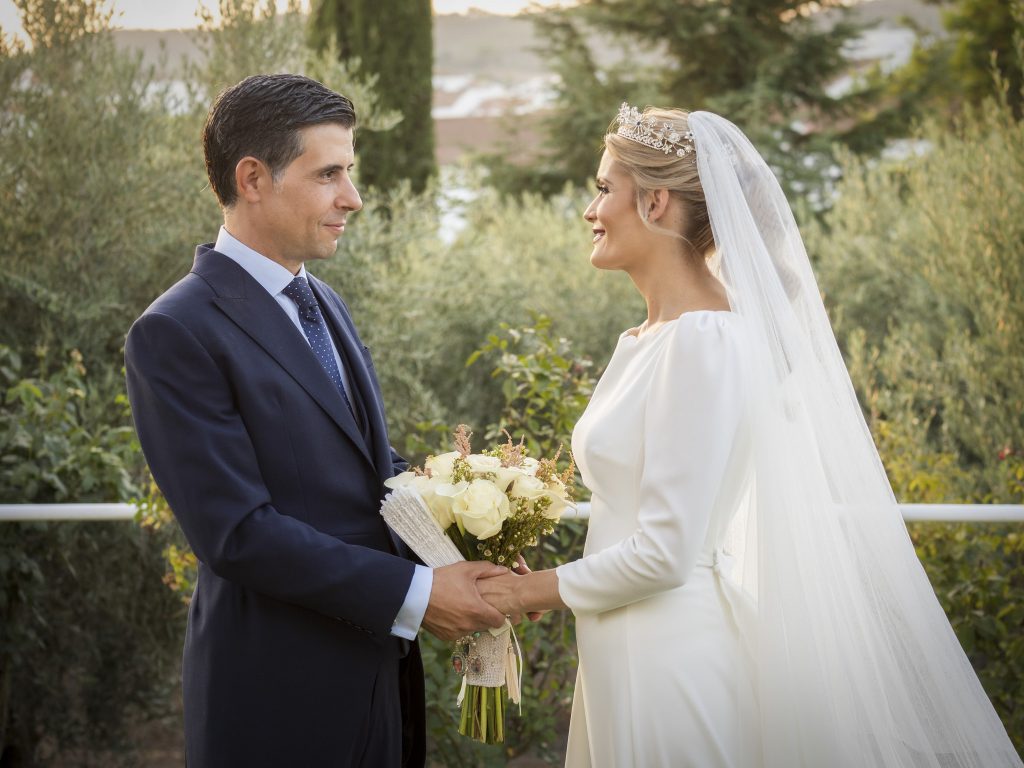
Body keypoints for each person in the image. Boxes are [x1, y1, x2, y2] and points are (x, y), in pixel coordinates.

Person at [479, 104, 1023, 767]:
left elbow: (666, 553)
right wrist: (553, 582)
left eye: (602, 189)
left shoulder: (705, 340)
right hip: (620, 644)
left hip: (670, 657)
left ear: (654, 202)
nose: (590, 211)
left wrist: (525, 593)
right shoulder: (646, 337)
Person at [125, 73, 507, 767]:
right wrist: (419, 595)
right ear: (253, 178)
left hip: (378, 681)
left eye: (350, 173)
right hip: (277, 694)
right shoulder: (174, 331)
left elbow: (372, 472)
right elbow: (237, 534)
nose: (352, 199)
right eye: (329, 174)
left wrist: (467, 551)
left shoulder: (322, 300)